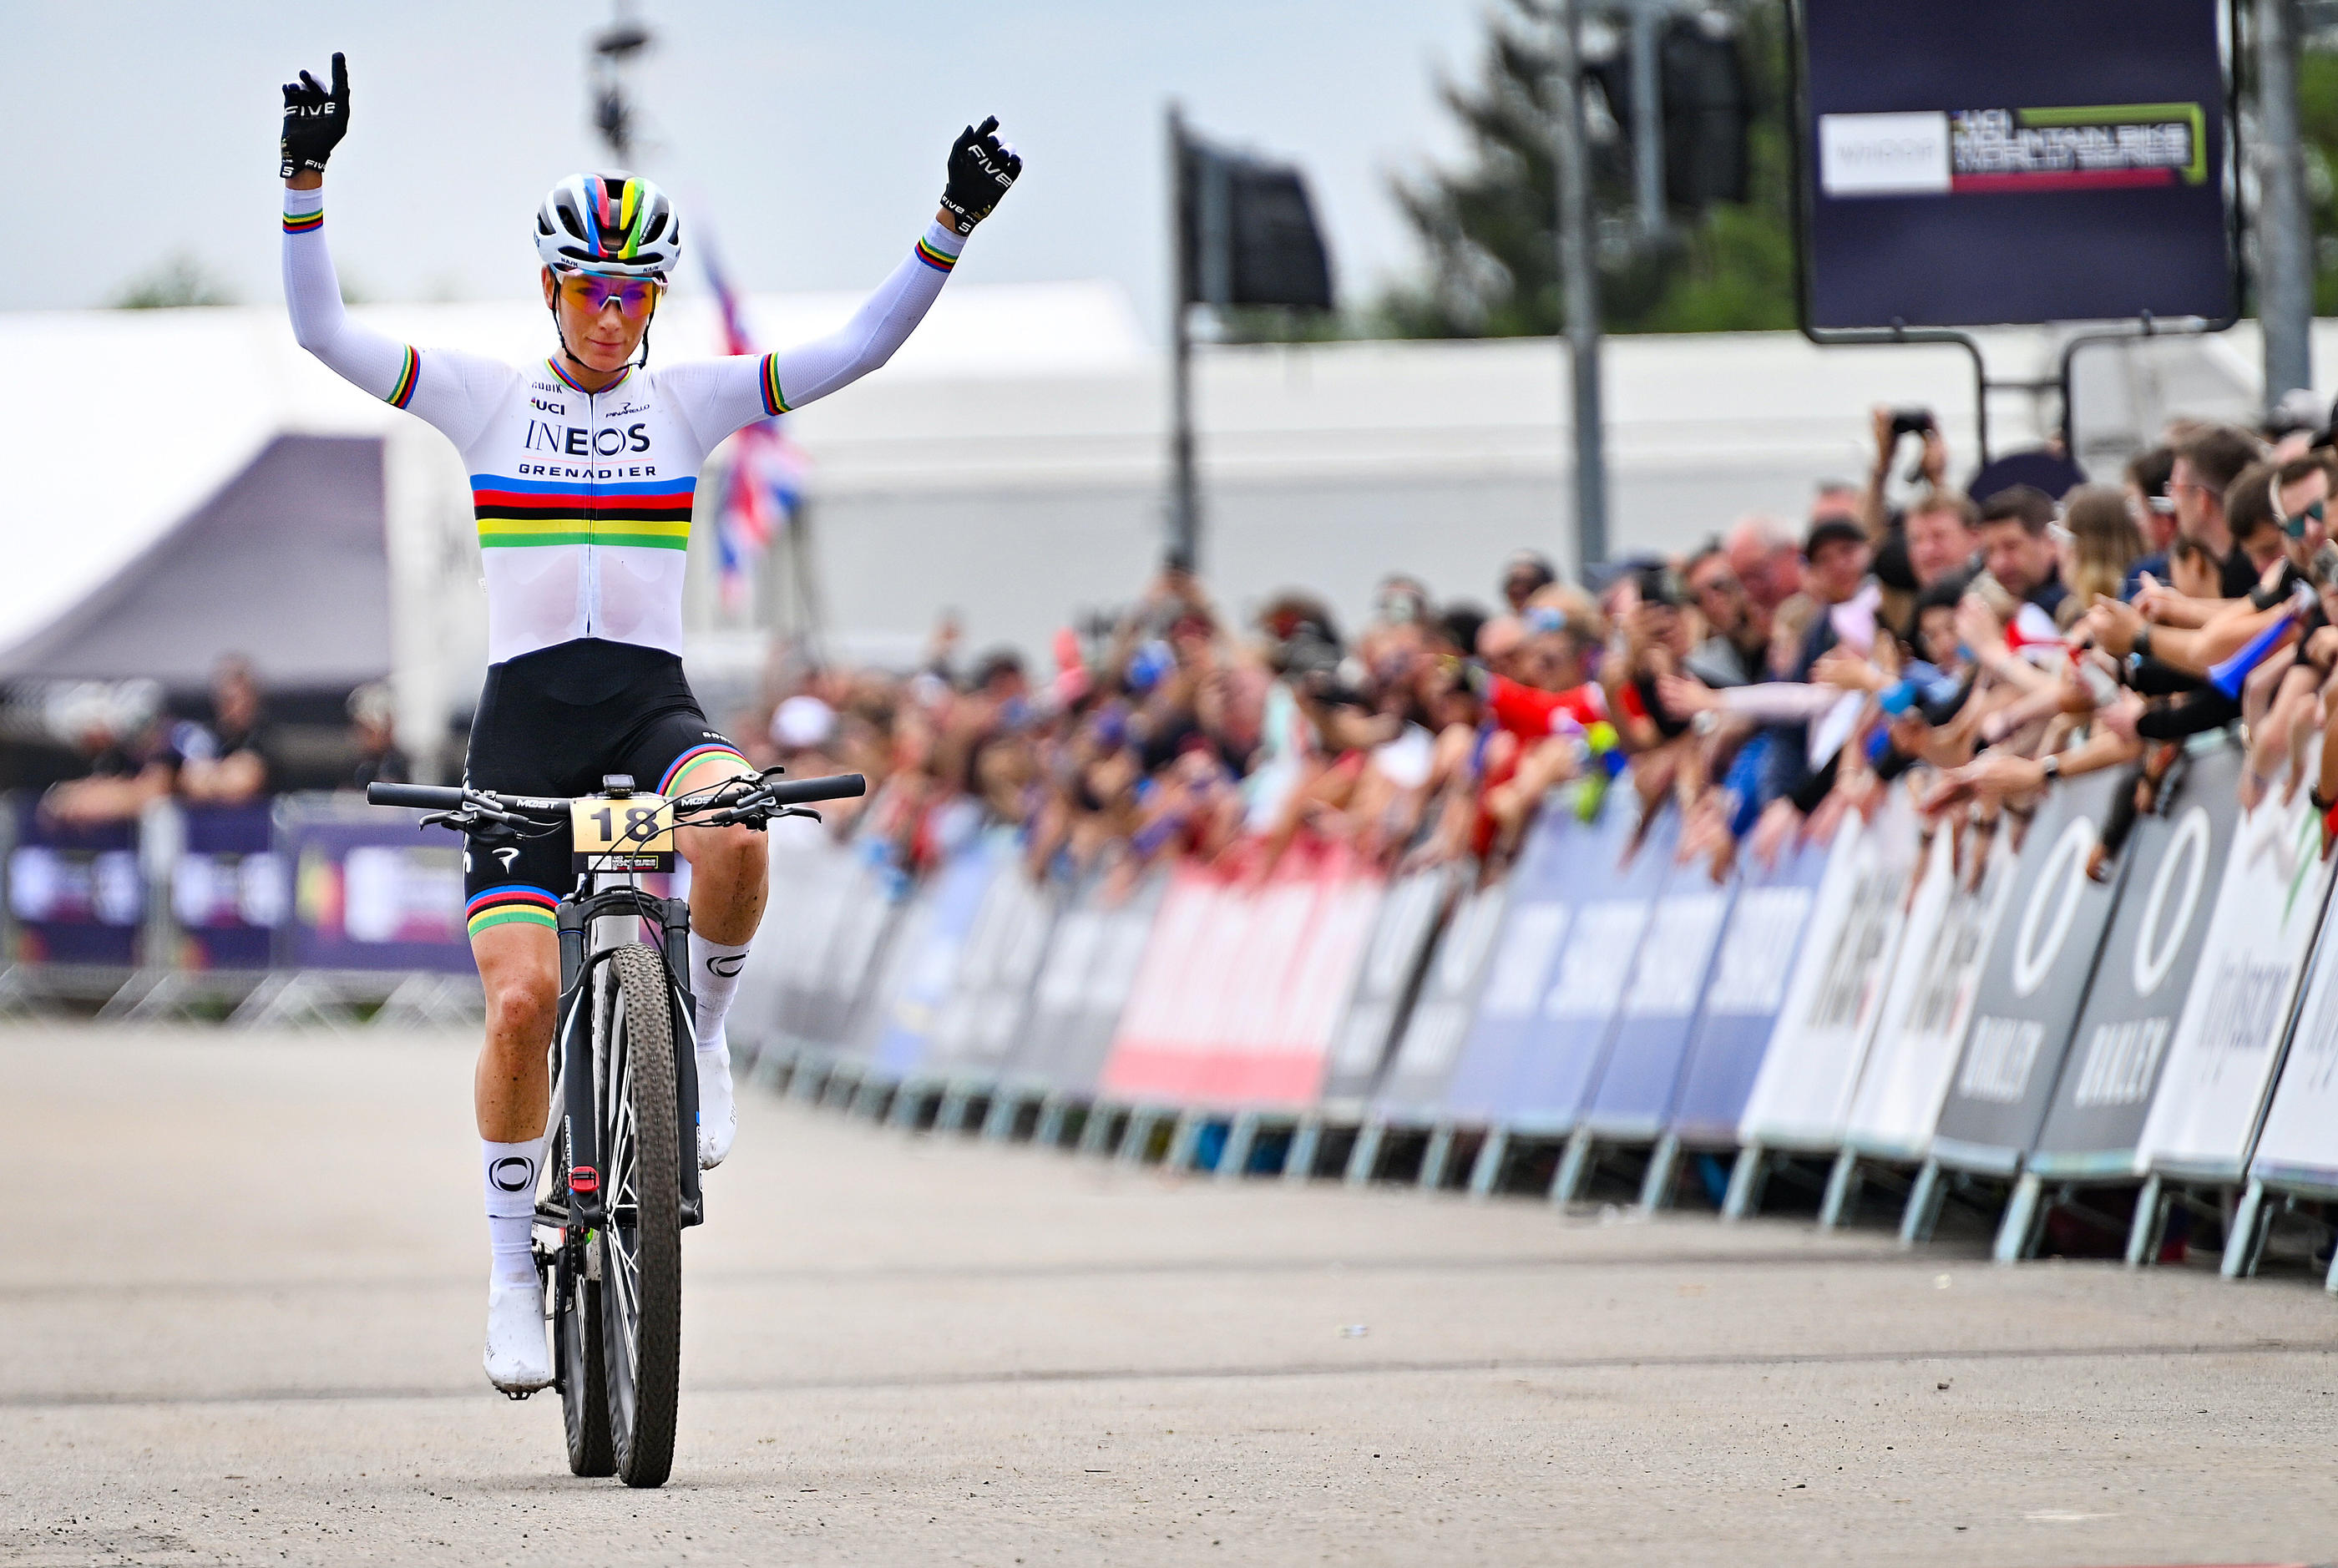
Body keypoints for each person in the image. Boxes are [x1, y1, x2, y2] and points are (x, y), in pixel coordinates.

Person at [277, 53, 1020, 1393]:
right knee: (520, 1005)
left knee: (740, 826)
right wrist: (305, 183)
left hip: (648, 701)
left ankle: (709, 1036)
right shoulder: (487, 397)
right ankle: (512, 1268)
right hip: (522, 729)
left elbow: (854, 350)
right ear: (553, 290)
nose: (613, 316)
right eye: (590, 291)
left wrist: (947, 229)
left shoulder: (692, 402)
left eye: (634, 293)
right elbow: (325, 337)